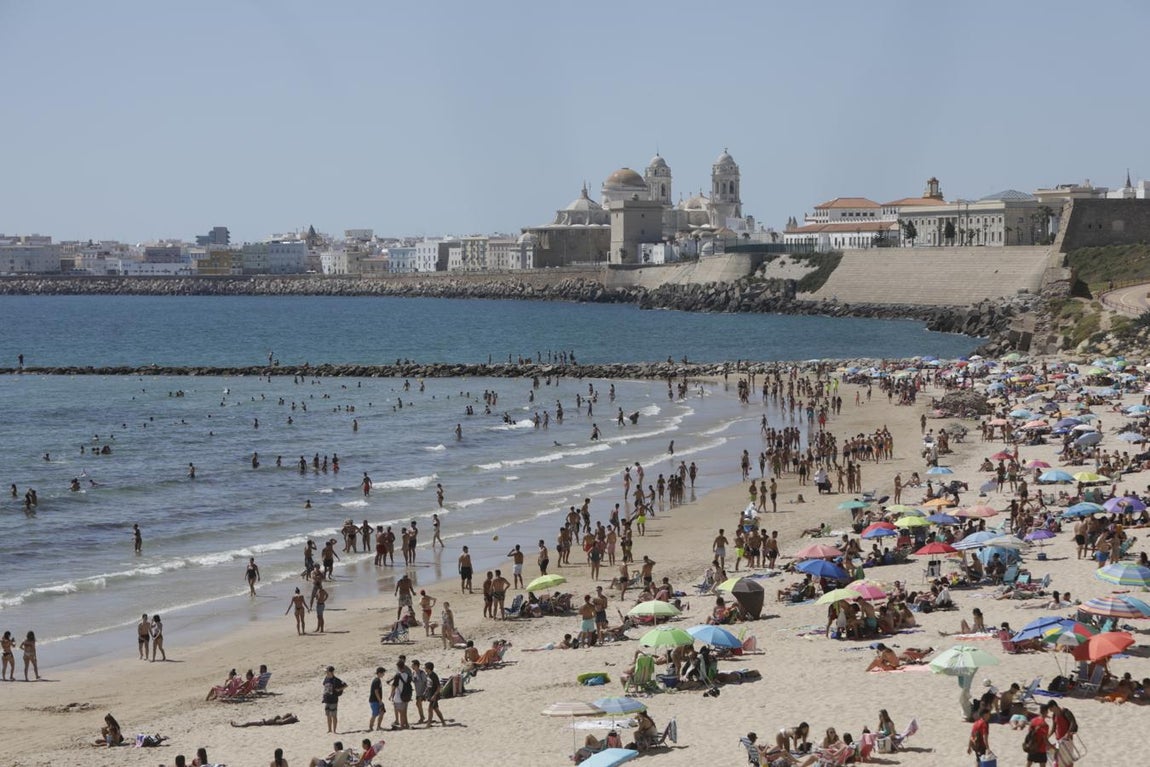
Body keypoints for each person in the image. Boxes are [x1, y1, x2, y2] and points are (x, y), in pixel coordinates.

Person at [1048, 700, 1078, 766]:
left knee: (1068, 759)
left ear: (1054, 706)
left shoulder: (1065, 712)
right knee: (1058, 758)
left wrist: (1068, 733)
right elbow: (1053, 728)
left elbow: (1073, 722)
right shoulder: (1054, 715)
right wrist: (1047, 736)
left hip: (1067, 740)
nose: (1051, 711)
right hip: (1059, 740)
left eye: (1051, 709)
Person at [322, 665, 347, 734]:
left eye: (327, 671)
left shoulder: (336, 680)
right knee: (328, 715)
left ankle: (334, 730)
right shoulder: (326, 678)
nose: (326, 672)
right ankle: (329, 729)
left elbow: (345, 685)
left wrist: (339, 689)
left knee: (334, 715)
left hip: (333, 700)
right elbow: (325, 686)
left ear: (330, 672)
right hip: (327, 699)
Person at [388, 659, 412, 730]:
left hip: (399, 695)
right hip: (406, 695)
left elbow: (394, 687)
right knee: (404, 711)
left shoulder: (398, 676)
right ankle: (406, 724)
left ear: (398, 667)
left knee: (400, 712)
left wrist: (391, 695)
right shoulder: (407, 675)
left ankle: (402, 726)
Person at [424, 661, 446, 727]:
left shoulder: (434, 675)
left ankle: (429, 724)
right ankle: (443, 722)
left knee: (431, 709)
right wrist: (425, 692)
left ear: (428, 668)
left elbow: (439, 687)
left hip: (434, 695)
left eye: (425, 668)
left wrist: (434, 695)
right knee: (435, 709)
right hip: (430, 694)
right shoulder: (428, 675)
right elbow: (428, 685)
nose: (424, 669)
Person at [368, 666, 386, 732]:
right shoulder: (376, 680)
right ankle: (370, 727)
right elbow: (376, 692)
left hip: (376, 700)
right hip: (374, 700)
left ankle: (378, 726)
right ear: (379, 673)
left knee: (382, 712)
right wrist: (380, 701)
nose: (383, 674)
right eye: (383, 673)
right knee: (375, 714)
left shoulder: (378, 680)